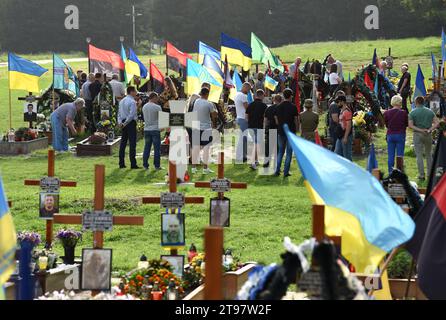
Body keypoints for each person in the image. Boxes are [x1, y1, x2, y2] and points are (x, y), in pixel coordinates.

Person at [409, 96, 440, 180]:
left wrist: (420, 130)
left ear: (416, 102)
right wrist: (430, 129)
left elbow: (410, 125)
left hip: (417, 134)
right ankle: (430, 175)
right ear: (423, 102)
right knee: (429, 154)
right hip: (428, 134)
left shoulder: (413, 112)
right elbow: (437, 123)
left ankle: (421, 175)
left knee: (419, 155)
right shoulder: (430, 111)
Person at [191, 87, 218, 174]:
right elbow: (214, 115)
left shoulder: (196, 101)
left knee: (195, 147)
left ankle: (193, 168)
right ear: (207, 94)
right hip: (206, 128)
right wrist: (216, 111)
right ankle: (205, 168)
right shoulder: (209, 104)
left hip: (196, 127)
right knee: (206, 148)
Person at [274, 89, 299, 177]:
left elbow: (276, 121)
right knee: (289, 153)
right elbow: (296, 121)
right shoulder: (293, 107)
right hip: (291, 132)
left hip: (281, 131)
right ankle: (286, 171)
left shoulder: (278, 106)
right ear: (291, 96)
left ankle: (277, 170)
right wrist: (297, 129)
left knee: (280, 152)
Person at [384, 95, 408, 174]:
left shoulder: (387, 112)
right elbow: (406, 124)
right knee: (400, 155)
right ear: (400, 102)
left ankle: (390, 173)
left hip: (390, 134)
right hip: (400, 134)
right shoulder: (404, 112)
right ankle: (399, 173)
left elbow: (386, 124)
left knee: (390, 155)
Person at [118, 86, 141, 169]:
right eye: (135, 91)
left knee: (123, 143)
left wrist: (120, 122)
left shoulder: (121, 101)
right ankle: (133, 163)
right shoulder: (132, 101)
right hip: (130, 123)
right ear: (131, 92)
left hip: (123, 121)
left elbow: (119, 114)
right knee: (132, 143)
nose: (136, 93)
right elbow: (132, 115)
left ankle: (121, 163)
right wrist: (125, 123)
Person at [246, 89, 268, 170]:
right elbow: (265, 118)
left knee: (255, 144)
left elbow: (246, 117)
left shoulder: (250, 105)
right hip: (259, 127)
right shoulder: (264, 106)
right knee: (257, 144)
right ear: (262, 95)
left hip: (251, 126)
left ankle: (256, 160)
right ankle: (253, 162)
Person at [142, 92, 163, 171]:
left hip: (147, 129)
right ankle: (157, 165)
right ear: (154, 97)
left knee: (147, 147)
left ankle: (145, 165)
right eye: (157, 98)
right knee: (157, 148)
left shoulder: (144, 106)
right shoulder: (157, 107)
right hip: (155, 128)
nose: (157, 99)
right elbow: (161, 118)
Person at [263, 94, 282, 168]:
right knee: (277, 148)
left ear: (274, 100)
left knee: (268, 148)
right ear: (281, 100)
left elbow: (265, 120)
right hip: (279, 130)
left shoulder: (269, 108)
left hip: (270, 129)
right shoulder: (281, 108)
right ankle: (276, 164)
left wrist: (265, 129)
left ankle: (266, 163)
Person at [235, 82, 252, 163]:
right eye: (248, 89)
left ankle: (243, 155)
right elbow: (247, 108)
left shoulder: (237, 94)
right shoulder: (243, 96)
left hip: (239, 117)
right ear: (245, 87)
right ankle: (240, 156)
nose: (249, 91)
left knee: (243, 138)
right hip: (243, 118)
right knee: (243, 138)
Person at [334, 96, 353, 161]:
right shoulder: (341, 110)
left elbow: (349, 125)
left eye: (338, 102)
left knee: (347, 155)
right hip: (340, 136)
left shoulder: (347, 111)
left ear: (342, 102)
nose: (337, 104)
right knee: (337, 153)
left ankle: (351, 169)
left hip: (346, 136)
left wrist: (345, 137)